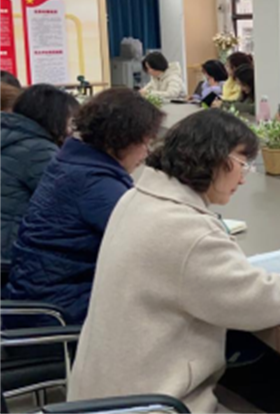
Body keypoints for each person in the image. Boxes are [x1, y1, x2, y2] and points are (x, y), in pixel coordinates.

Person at [67, 110, 280, 413]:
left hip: (104, 395)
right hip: (151, 403)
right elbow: (260, 301)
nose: (244, 178)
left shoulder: (136, 197)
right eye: (242, 164)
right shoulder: (188, 232)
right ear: (214, 157)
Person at [5, 89, 164, 324]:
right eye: (145, 142)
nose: (147, 153)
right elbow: (152, 243)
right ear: (122, 139)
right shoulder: (94, 183)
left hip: (41, 295)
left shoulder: (72, 163)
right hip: (62, 310)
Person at [1, 85, 79, 256]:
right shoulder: (39, 150)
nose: (70, 131)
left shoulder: (9, 135)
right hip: (11, 250)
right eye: (69, 122)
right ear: (54, 118)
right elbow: (65, 201)